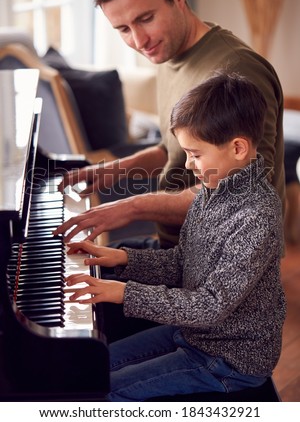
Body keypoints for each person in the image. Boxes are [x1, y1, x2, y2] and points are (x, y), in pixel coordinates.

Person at [64, 72, 286, 402]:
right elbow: (182, 263)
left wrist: (123, 293)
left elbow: (210, 306)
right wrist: (123, 259)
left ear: (238, 148)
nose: (187, 163)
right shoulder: (214, 190)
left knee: (103, 396)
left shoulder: (256, 216)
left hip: (226, 360)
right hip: (194, 334)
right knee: (88, 369)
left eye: (195, 153)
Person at [54, 0, 285, 251]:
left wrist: (132, 207)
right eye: (123, 29)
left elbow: (246, 192)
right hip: (177, 248)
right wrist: (112, 170)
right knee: (76, 271)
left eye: (145, 19)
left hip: (221, 264)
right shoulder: (168, 53)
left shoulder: (237, 70)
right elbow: (174, 148)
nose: (139, 41)